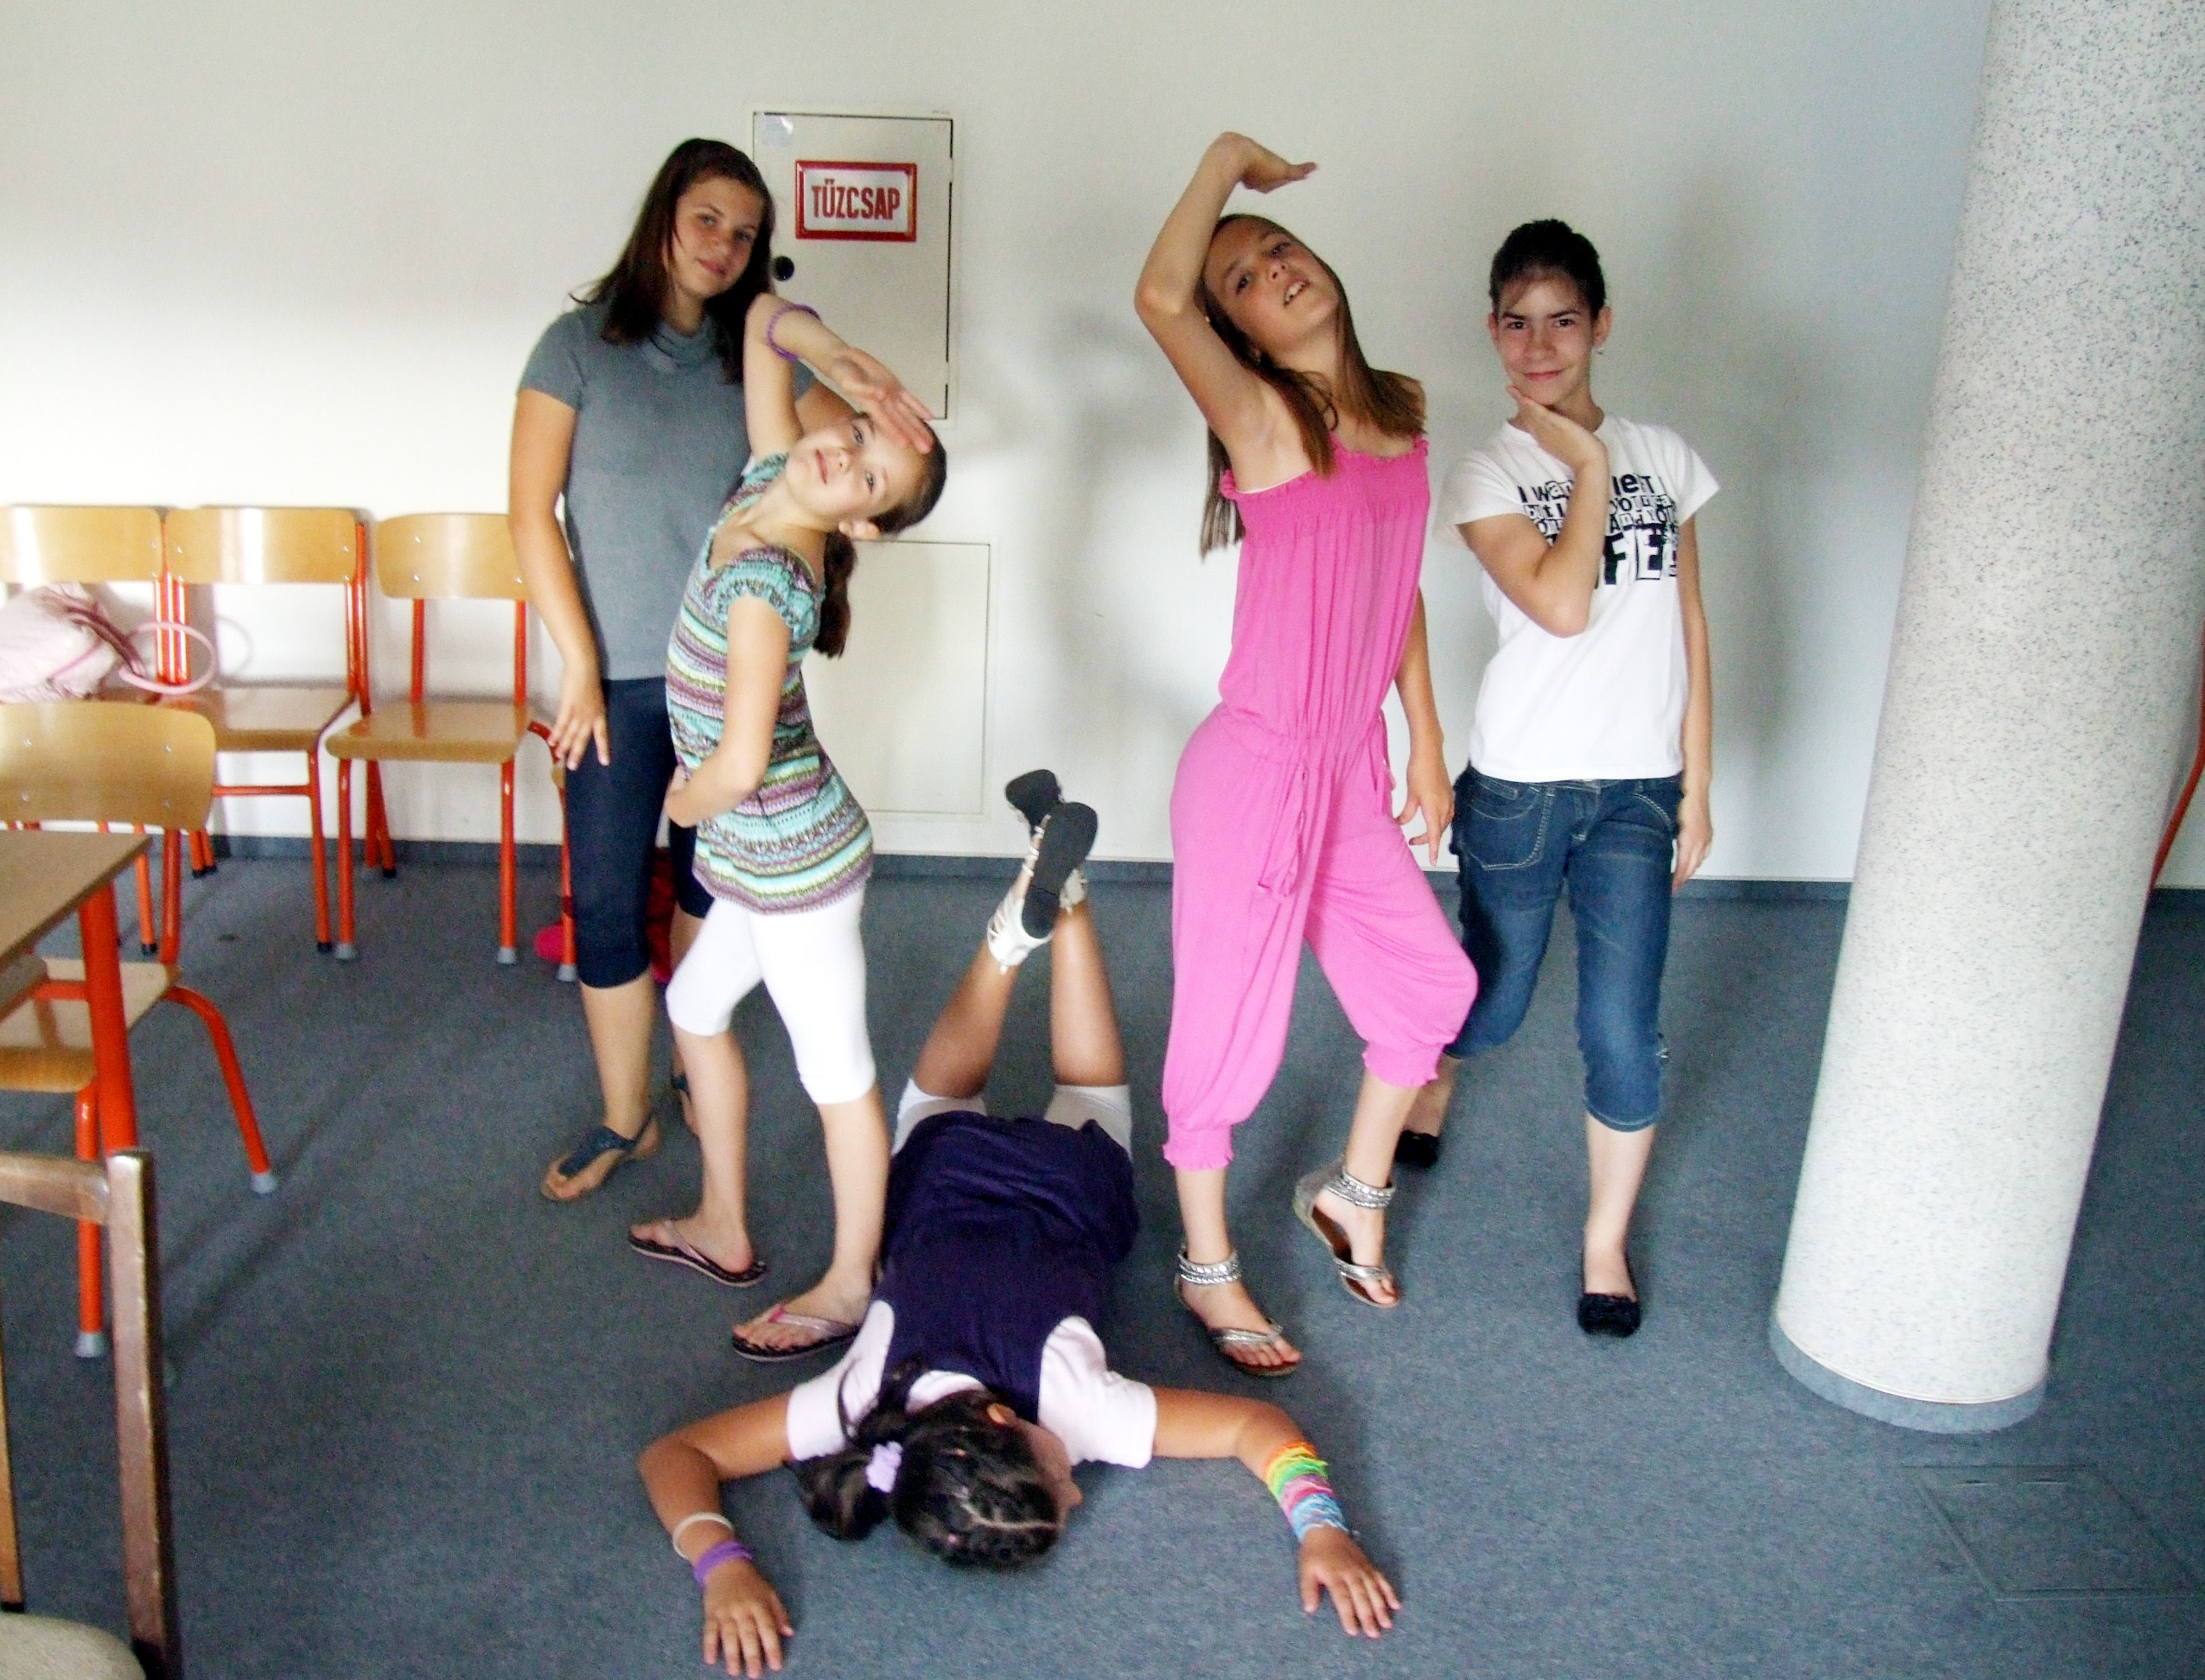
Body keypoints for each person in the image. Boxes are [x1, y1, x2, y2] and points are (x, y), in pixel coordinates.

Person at [638, 787, 1399, 1677]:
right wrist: (719, 1562)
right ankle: (1009, 939)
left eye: (1059, 1482)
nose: (1078, 1492)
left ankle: (1067, 901)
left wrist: (1322, 1530)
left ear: (1004, 1420)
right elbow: (680, 1457)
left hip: (1072, 1185)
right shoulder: (861, 1404)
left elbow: (1253, 1430)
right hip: (945, 1175)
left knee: (1090, 1092)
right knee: (942, 1100)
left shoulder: (1082, 1412)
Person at [513, 139, 925, 1203]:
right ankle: (626, 1116)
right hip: (614, 681)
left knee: (711, 886)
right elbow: (530, 516)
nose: (724, 246)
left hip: (727, 695)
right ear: (664, 215)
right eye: (707, 219)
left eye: (746, 233)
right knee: (609, 902)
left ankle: (697, 1068)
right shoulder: (574, 350)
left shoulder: (757, 373)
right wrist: (577, 664)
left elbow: (847, 458)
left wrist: (840, 364)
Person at [1132, 134, 1477, 1376]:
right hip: (1256, 773)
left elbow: (1400, 585)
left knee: (1431, 988)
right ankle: (1206, 1265)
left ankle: (1353, 1194)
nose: (1274, 270)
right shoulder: (1266, 420)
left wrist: (1427, 738)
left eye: (1279, 250)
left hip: (1347, 767)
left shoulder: (1400, 416)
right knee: (1235, 1033)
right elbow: (1157, 297)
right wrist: (1226, 163)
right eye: (1243, 281)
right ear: (1240, 337)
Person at [1399, 220, 1717, 1339]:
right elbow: (1563, 605)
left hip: (1637, 789)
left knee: (1623, 1029)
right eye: (1517, 323)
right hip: (1522, 786)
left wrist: (1699, 781)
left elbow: (1688, 621)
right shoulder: (1488, 471)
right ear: (1493, 332)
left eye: (1563, 321)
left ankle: (1603, 1242)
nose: (1539, 346)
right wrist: (1585, 463)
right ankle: (1434, 1074)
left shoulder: (1666, 456)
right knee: (1490, 1005)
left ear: (1602, 326)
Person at [626, 287, 946, 1360]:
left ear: (861, 525)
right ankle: (723, 1225)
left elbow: (741, 761)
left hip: (797, 867)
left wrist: (679, 803)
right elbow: (765, 318)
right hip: (756, 857)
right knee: (697, 1005)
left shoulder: (769, 582)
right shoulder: (772, 477)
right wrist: (843, 357)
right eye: (853, 433)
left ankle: (853, 1282)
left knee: (837, 1073)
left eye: (868, 476)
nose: (841, 456)